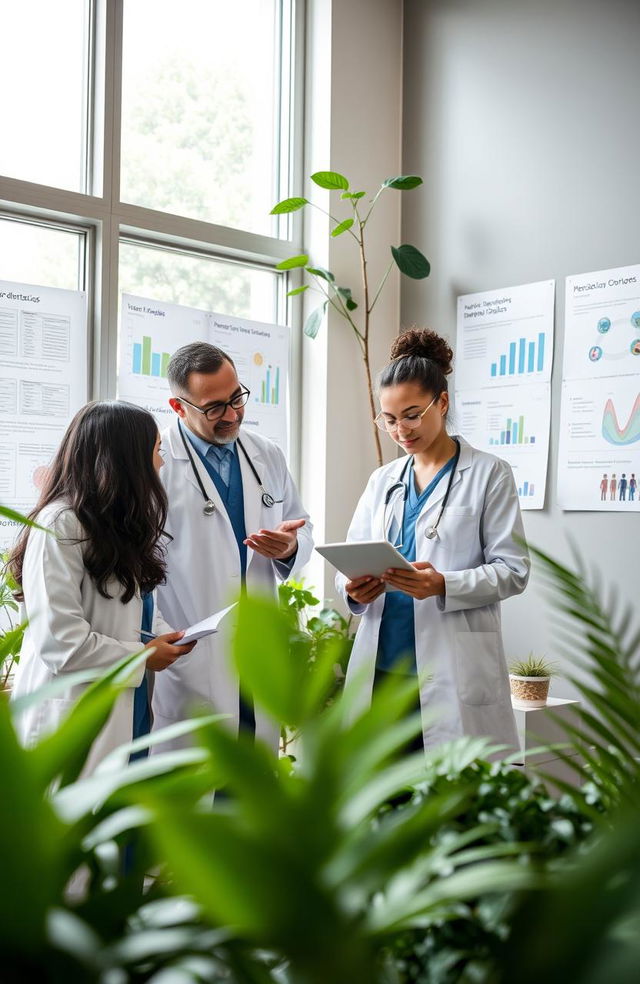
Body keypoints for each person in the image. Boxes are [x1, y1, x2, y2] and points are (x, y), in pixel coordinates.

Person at [336, 329, 530, 752]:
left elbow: (513, 571)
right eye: (388, 420)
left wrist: (443, 584)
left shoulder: (489, 473)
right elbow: (349, 559)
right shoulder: (383, 480)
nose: (401, 430)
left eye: (412, 414)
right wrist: (353, 588)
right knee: (383, 806)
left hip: (450, 669)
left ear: (441, 402)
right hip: (382, 669)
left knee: (449, 804)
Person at [8, 402, 195, 774]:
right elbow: (60, 641)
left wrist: (162, 636)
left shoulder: (119, 523)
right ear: (127, 460)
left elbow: (134, 605)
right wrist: (142, 656)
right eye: (156, 451)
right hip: (73, 715)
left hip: (130, 709)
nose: (161, 463)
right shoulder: (60, 525)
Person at [153, 342, 313, 751]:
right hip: (191, 648)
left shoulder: (267, 454)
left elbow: (302, 526)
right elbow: (137, 564)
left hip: (255, 645)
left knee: (253, 784)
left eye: (237, 397)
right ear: (178, 405)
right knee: (199, 790)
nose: (232, 414)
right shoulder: (156, 465)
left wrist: (290, 548)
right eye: (214, 407)